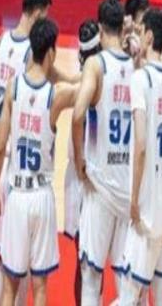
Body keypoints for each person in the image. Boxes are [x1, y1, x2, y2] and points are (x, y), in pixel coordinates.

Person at [0, 18, 78, 306]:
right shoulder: (56, 95)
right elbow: (86, 89)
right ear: (51, 52)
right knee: (39, 286)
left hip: (16, 194)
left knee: (9, 285)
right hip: (41, 196)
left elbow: (0, 146)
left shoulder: (13, 88)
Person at [0, 0, 52, 306]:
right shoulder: (31, 55)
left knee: (4, 256)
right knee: (18, 267)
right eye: (45, 16)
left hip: (5, 156)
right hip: (22, 170)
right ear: (36, 13)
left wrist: (2, 127)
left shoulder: (2, 42)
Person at [72, 0, 135, 305]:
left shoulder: (96, 65)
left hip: (99, 187)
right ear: (122, 26)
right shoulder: (135, 66)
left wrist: (80, 162)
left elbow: (77, 114)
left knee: (91, 275)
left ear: (99, 28)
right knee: (125, 279)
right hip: (127, 187)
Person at [119, 11, 162, 305]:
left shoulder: (140, 80)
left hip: (147, 208)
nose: (138, 36)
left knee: (129, 294)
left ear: (150, 36)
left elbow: (141, 144)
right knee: (161, 295)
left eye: (141, 31)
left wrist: (133, 200)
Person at [63, 20, 102, 305]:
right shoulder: (95, 77)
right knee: (89, 260)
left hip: (86, 174)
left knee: (86, 259)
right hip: (87, 174)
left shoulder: (85, 78)